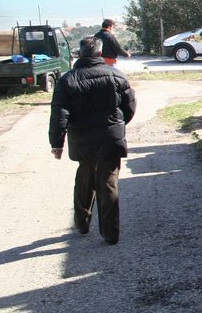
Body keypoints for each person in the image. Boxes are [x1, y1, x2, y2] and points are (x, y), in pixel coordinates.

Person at [48, 36, 137, 244]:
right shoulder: (116, 75)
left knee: (84, 179)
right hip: (110, 138)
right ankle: (110, 233)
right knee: (109, 183)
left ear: (80, 54)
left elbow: (59, 115)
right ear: (99, 53)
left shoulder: (67, 80)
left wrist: (57, 143)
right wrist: (118, 124)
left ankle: (82, 222)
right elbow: (130, 106)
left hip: (82, 138)